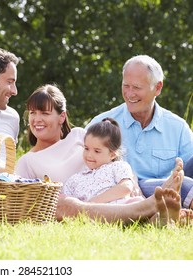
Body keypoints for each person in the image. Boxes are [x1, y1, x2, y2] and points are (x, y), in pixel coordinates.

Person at [15, 84, 185, 224]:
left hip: (115, 192)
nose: (36, 119)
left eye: (44, 113)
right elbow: (21, 200)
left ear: (61, 117)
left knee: (150, 190)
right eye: (32, 113)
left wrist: (133, 184)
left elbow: (114, 158)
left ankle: (160, 214)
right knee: (63, 203)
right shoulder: (27, 161)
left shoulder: (79, 135)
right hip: (78, 206)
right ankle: (149, 208)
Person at [86, 55, 193, 209]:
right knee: (184, 186)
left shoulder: (178, 127)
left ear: (158, 88)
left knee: (183, 183)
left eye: (136, 87)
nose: (130, 94)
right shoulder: (101, 124)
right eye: (126, 86)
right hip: (126, 195)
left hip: (172, 191)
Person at [62, 118, 144, 204]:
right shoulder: (75, 179)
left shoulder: (118, 166)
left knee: (137, 202)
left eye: (97, 151)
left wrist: (92, 202)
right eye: (86, 148)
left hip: (121, 209)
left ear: (112, 154)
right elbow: (64, 202)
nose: (89, 155)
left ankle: (153, 209)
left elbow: (126, 187)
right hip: (91, 212)